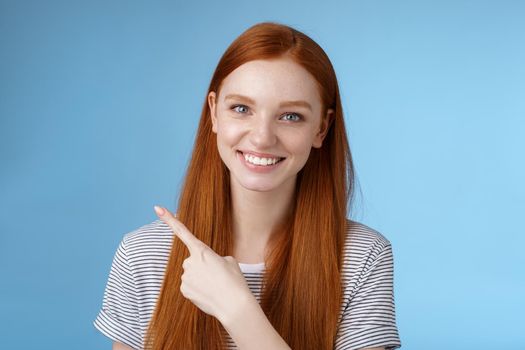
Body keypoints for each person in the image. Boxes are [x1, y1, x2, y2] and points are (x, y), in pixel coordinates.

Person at [93, 21, 402, 350]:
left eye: (291, 116)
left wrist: (237, 310)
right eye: (241, 109)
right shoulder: (143, 255)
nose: (262, 137)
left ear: (321, 129)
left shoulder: (362, 258)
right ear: (214, 112)